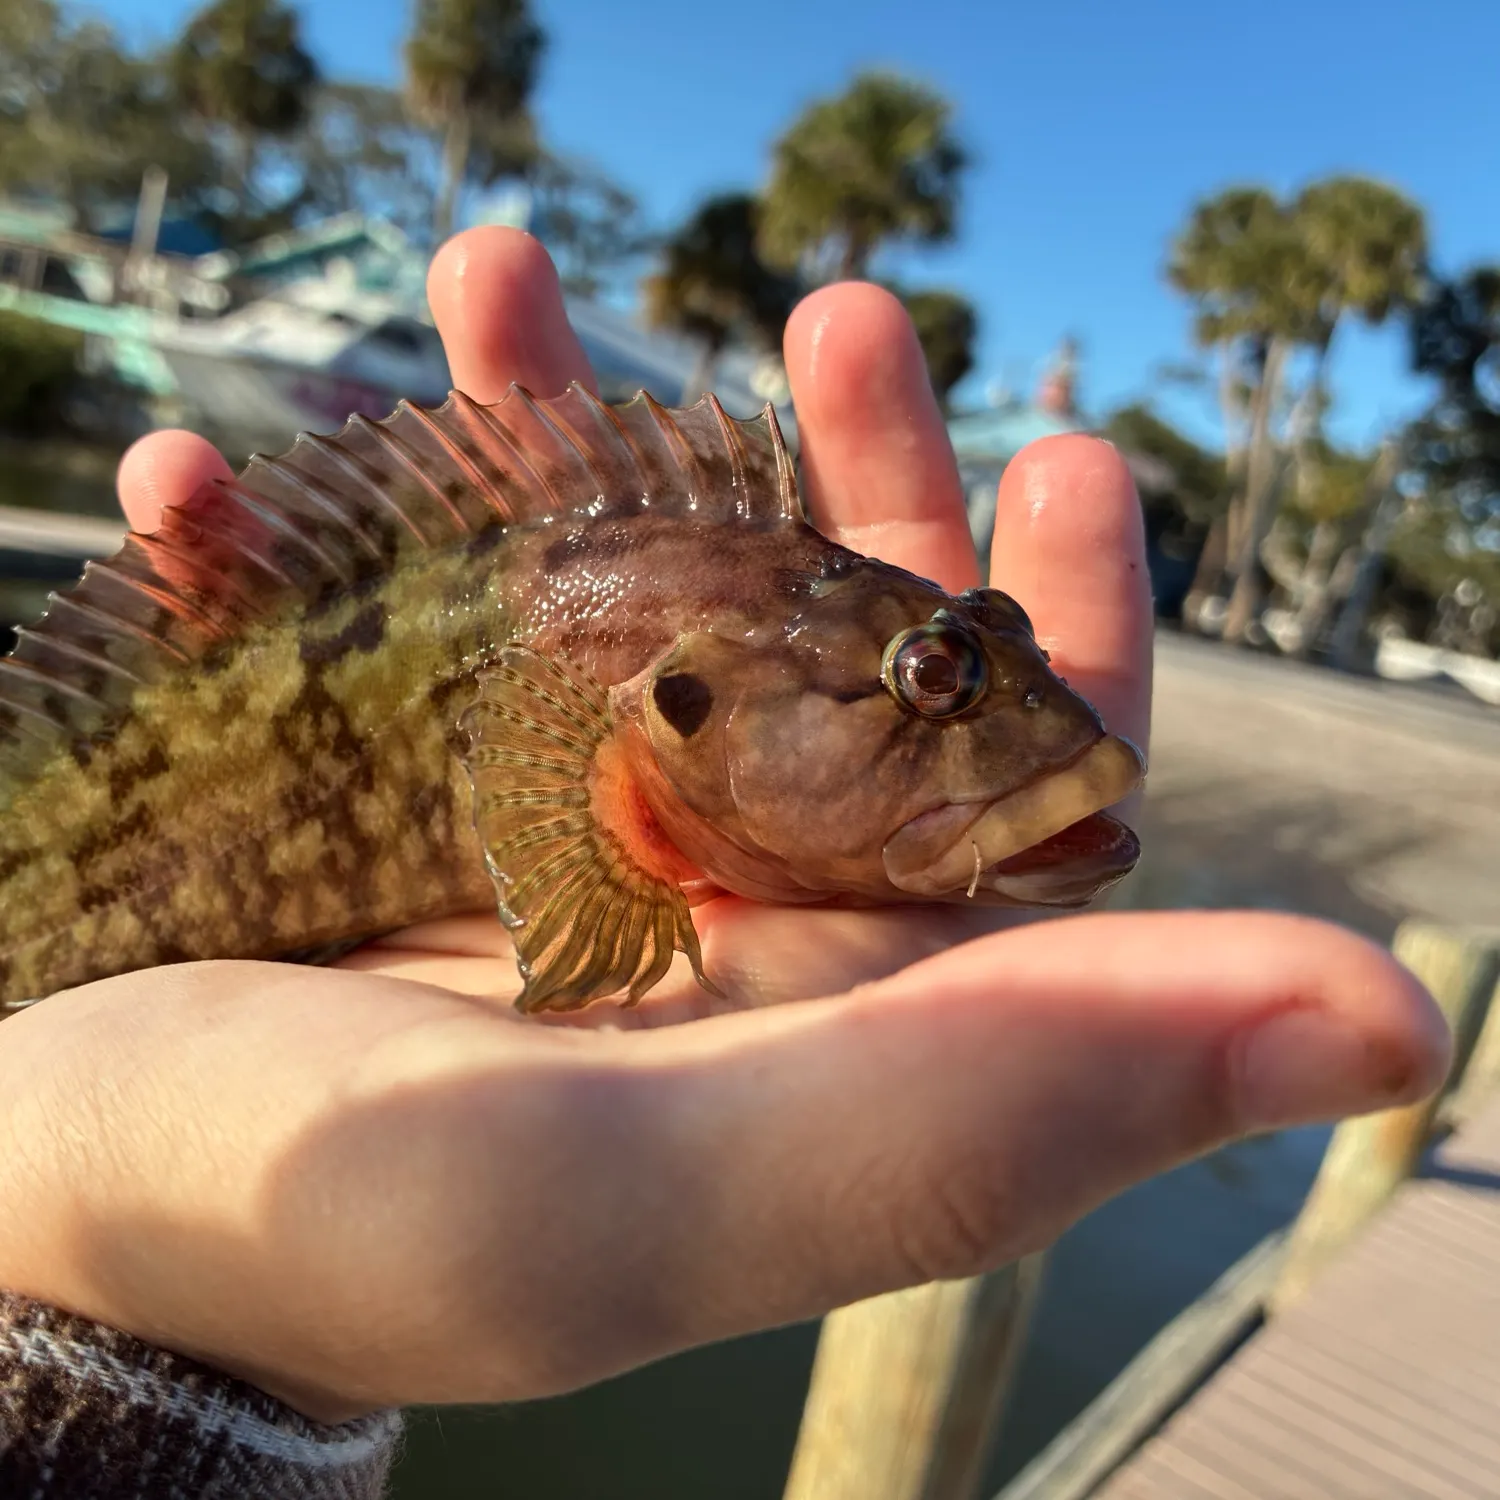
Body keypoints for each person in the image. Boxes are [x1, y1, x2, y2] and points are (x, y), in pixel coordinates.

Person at [0, 229, 1449, 1498]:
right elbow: (561, 842)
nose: (984, 728)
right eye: (934, 685)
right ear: (679, 708)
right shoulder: (617, 727)